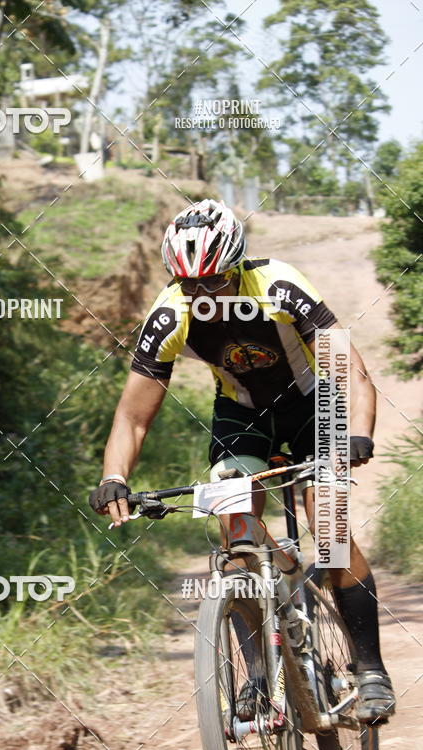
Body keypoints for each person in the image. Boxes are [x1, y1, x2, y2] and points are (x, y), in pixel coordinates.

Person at [89, 198, 395, 723]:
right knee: (237, 535)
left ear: (237, 268)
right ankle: (259, 672)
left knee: (330, 524)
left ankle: (370, 671)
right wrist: (114, 478)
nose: (204, 296)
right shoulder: (171, 315)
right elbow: (133, 417)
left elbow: (352, 372)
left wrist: (357, 435)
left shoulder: (280, 286)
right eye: (191, 286)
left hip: (311, 405)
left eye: (215, 283)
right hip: (242, 415)